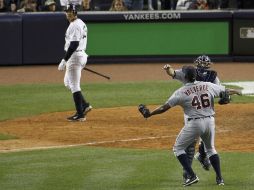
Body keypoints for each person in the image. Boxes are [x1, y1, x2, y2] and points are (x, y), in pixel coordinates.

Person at [139, 65, 241, 186]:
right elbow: (225, 91)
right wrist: (237, 91)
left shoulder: (181, 92)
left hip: (195, 123)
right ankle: (220, 179)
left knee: (178, 148)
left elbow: (163, 108)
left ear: (185, 76)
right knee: (210, 149)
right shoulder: (207, 85)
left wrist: (150, 114)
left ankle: (191, 176)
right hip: (210, 122)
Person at [163, 55, 221, 182]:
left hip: (202, 112)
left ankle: (201, 156)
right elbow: (173, 73)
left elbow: (220, 92)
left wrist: (224, 98)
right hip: (194, 113)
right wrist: (169, 69)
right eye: (202, 63)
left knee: (203, 144)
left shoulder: (212, 77)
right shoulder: (190, 73)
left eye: (205, 64)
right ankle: (188, 172)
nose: (203, 66)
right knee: (191, 144)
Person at [58, 3, 92, 122]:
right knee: (67, 82)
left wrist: (64, 59)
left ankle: (80, 114)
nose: (68, 13)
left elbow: (74, 44)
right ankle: (85, 105)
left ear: (75, 12)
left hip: (75, 56)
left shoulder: (75, 25)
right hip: (79, 55)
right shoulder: (79, 23)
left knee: (74, 86)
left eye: (70, 11)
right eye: (66, 11)